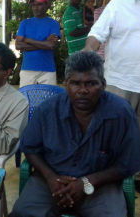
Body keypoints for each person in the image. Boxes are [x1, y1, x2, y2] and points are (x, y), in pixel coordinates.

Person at [11, 51, 140, 217]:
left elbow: (129, 162)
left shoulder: (121, 112)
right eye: (76, 83)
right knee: (22, 213)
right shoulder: (48, 110)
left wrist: (87, 182)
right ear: (66, 84)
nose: (83, 90)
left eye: (91, 83)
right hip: (51, 183)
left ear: (103, 84)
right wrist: (51, 178)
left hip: (100, 186)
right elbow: (29, 147)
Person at [84, 0, 140, 125]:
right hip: (120, 83)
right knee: (114, 130)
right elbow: (96, 34)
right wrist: (88, 50)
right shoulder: (117, 5)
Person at [16, 0, 61, 87]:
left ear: (46, 4)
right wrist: (44, 43)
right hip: (27, 69)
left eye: (39, 4)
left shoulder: (53, 23)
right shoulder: (25, 23)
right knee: (26, 99)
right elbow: (18, 45)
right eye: (34, 5)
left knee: (49, 99)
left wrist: (27, 40)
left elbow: (51, 45)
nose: (36, 8)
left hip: (48, 70)